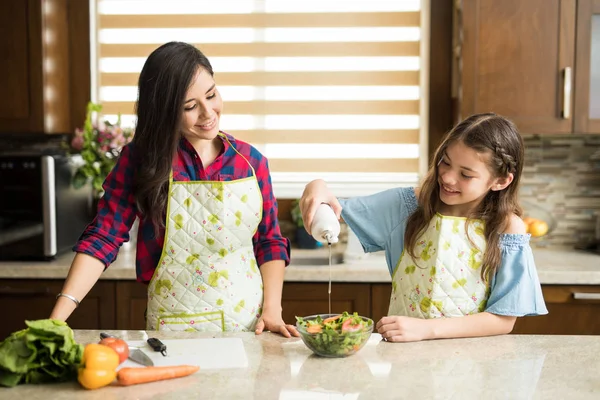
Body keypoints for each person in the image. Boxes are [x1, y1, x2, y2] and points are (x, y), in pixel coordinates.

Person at [50, 41, 299, 337]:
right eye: (190, 107)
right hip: (170, 332)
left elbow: (269, 241)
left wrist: (272, 310)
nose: (208, 113)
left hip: (247, 328)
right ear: (165, 111)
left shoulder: (250, 161)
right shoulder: (141, 161)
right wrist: (56, 321)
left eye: (212, 95)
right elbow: (104, 236)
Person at [300, 113, 548, 342]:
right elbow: (331, 209)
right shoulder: (408, 206)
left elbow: (504, 319)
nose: (448, 178)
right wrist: (316, 184)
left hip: (473, 365)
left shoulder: (508, 227)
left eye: (466, 174)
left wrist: (427, 329)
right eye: (445, 162)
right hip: (406, 357)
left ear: (501, 180)